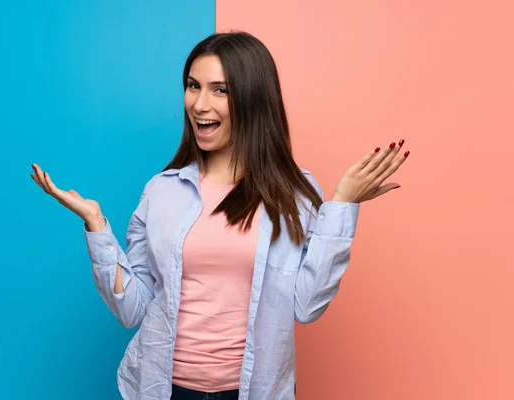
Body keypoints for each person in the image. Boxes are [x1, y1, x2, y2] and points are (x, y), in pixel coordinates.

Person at [31, 31, 409, 400]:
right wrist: (97, 225)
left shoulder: (293, 192)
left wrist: (342, 205)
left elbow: (307, 305)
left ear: (252, 99)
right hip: (166, 389)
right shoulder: (162, 191)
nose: (199, 104)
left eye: (220, 90)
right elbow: (132, 309)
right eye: (193, 86)